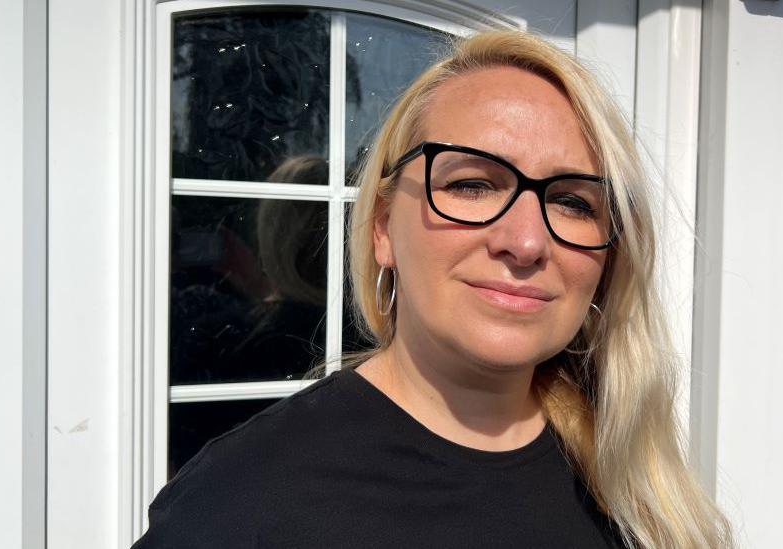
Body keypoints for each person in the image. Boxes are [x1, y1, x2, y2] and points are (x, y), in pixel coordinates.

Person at [133, 30, 733, 549]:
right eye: (472, 184)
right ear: (381, 230)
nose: (525, 242)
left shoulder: (635, 482)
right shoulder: (241, 503)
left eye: (573, 201)